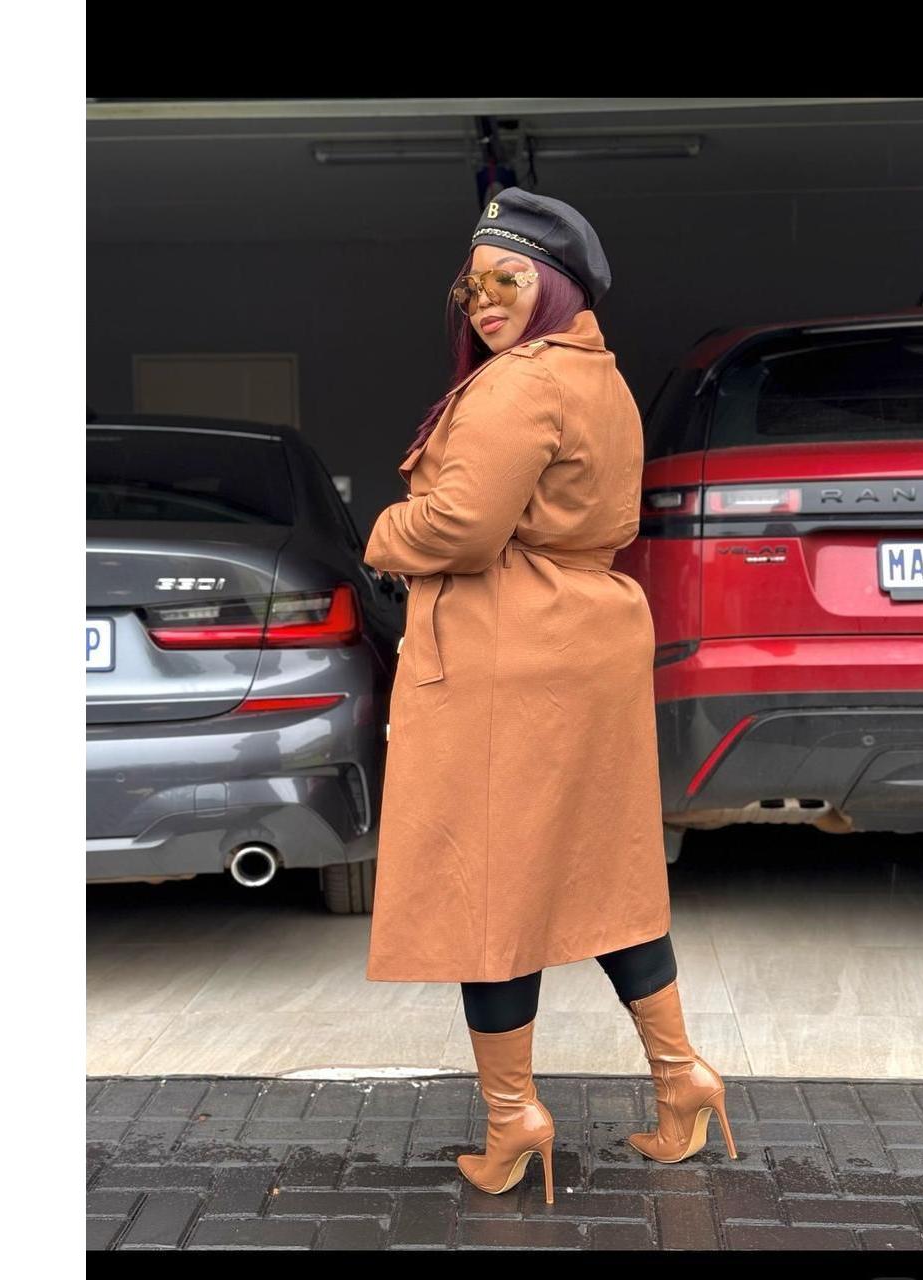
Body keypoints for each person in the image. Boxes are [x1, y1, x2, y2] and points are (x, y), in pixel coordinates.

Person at [362, 188, 737, 1205]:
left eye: (507, 279)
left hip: (507, 649)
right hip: (587, 637)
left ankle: (512, 1119)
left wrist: (382, 532)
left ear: (555, 287)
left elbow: (460, 528)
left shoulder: (516, 385)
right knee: (603, 872)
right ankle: (680, 1077)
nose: (484, 300)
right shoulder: (598, 378)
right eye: (471, 285)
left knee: (491, 886)